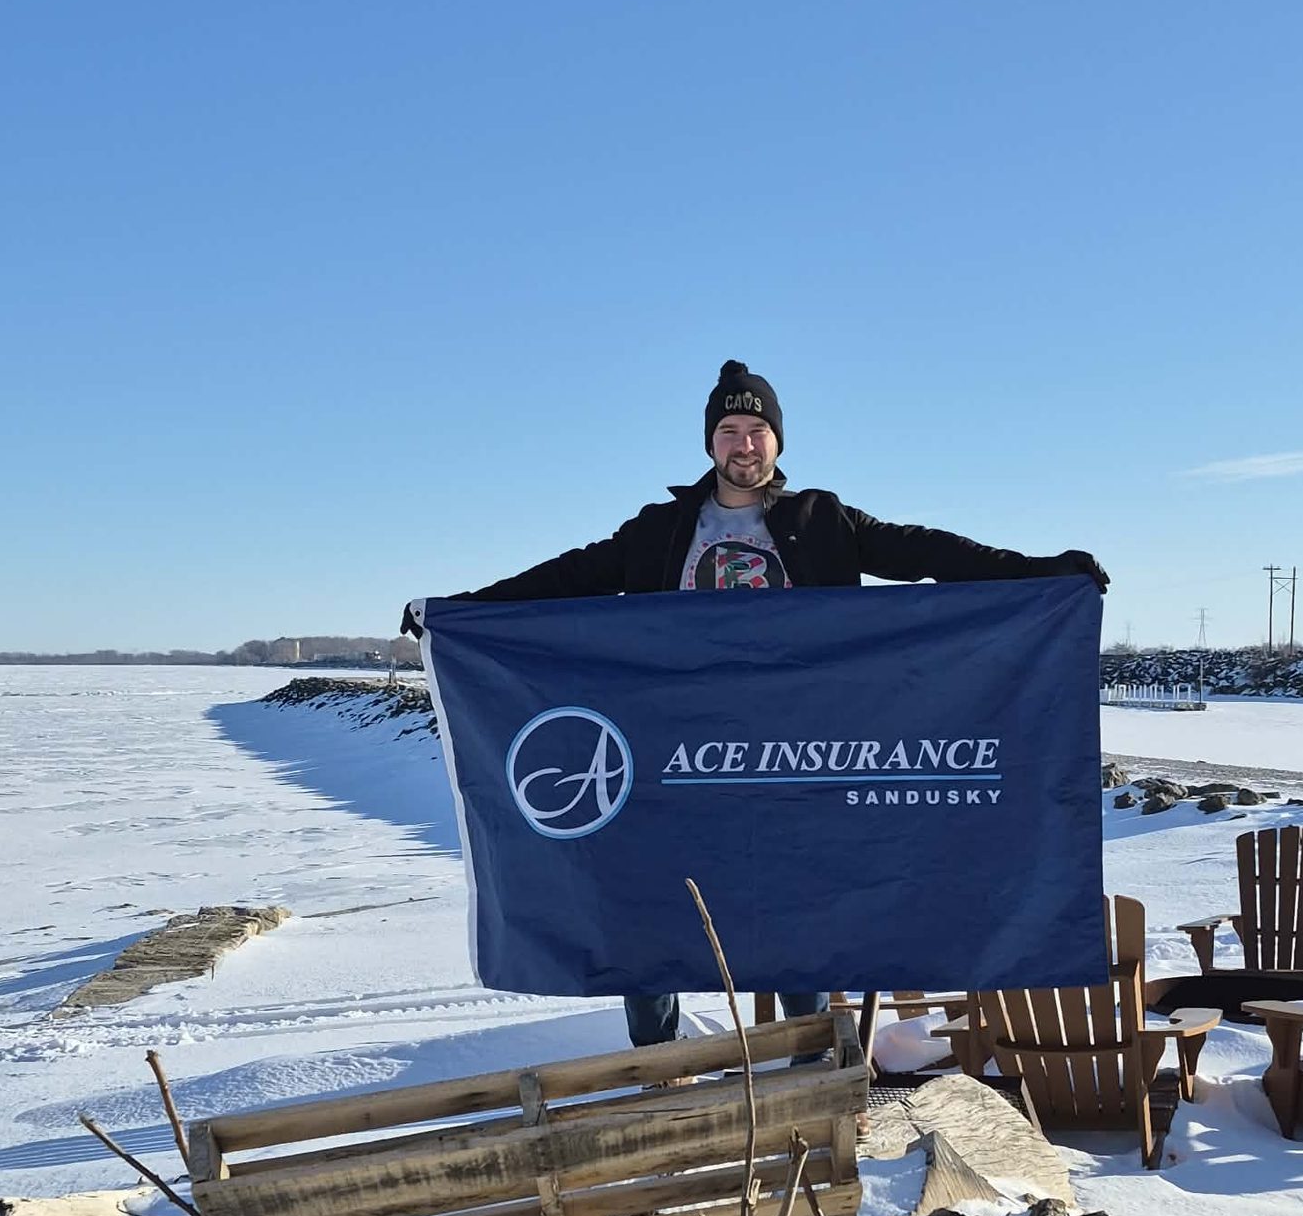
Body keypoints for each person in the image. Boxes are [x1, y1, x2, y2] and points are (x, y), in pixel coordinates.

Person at [404, 358, 1108, 1049]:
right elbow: (573, 576)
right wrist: (463, 612)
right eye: (730, 431)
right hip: (674, 749)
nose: (745, 445)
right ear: (711, 443)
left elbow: (926, 552)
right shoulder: (660, 529)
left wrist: (1040, 574)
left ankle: (810, 1061)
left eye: (757, 430)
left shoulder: (822, 520)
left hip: (797, 750)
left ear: (778, 440)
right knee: (648, 894)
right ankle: (660, 1064)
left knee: (801, 899)